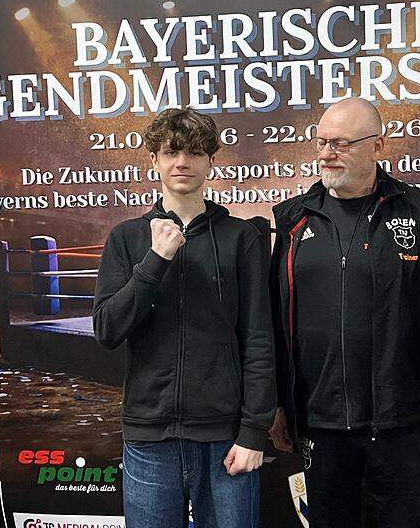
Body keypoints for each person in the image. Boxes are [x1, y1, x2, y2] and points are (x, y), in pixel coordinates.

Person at [269, 97, 420, 528]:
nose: (325, 154)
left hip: (405, 425)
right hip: (320, 425)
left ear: (378, 145)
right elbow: (277, 322)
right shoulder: (293, 220)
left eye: (340, 143)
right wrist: (280, 403)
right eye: (321, 142)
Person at [93, 107, 276, 528]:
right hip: (149, 435)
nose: (182, 163)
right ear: (153, 159)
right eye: (172, 152)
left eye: (195, 153)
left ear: (211, 160)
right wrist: (155, 260)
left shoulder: (240, 237)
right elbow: (107, 328)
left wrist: (253, 432)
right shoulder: (127, 238)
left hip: (224, 437)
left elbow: (259, 339)